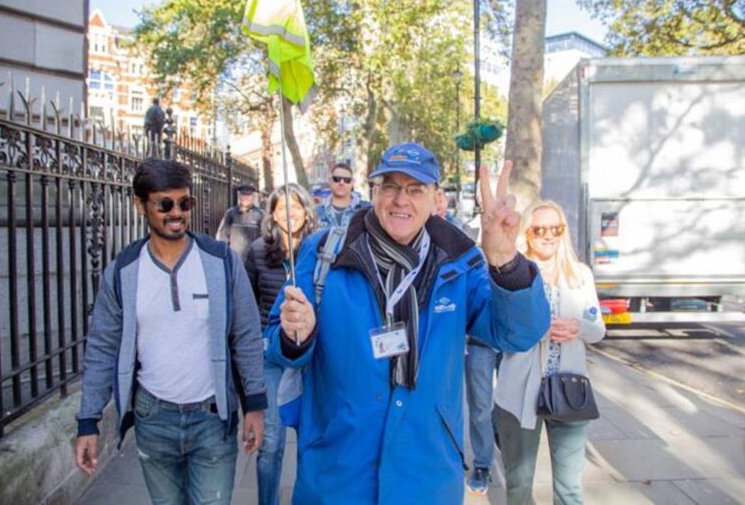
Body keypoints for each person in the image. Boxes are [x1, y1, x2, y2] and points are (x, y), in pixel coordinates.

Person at [265, 142, 550, 504]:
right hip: (336, 474)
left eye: (416, 189)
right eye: (391, 187)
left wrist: (506, 260)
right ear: (374, 193)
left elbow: (519, 334)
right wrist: (295, 337)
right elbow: (277, 342)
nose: (402, 200)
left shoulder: (459, 264)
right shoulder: (324, 254)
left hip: (426, 475)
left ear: (435, 199)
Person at [75, 159, 266, 505]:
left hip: (212, 417)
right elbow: (102, 347)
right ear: (140, 205)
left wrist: (255, 405)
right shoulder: (123, 271)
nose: (176, 213)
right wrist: (88, 420)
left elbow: (247, 334)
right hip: (153, 418)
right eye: (165, 204)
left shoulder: (221, 261)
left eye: (185, 203)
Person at [493, 199, 606, 505]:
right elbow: (501, 330)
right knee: (518, 484)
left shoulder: (580, 274)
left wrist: (578, 326)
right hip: (519, 394)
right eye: (539, 228)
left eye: (556, 228)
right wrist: (540, 329)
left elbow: (598, 329)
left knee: (569, 489)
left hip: (569, 392)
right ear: (526, 233)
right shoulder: (515, 273)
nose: (548, 235)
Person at [244, 184, 317, 505]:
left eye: (296, 206)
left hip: (310, 355)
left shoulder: (319, 250)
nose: (290, 214)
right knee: (271, 441)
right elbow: (245, 304)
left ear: (306, 210)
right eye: (282, 208)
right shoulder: (258, 250)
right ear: (272, 213)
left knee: (309, 438)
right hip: (269, 354)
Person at [434, 188, 499, 495]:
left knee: (480, 405)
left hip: (476, 339)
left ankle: (483, 462)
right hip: (438, 342)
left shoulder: (462, 235)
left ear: (440, 199)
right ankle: (444, 461)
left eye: (433, 195)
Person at [315, 162, 370, 228]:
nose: (341, 183)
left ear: (352, 183)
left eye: (347, 180)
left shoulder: (366, 210)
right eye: (337, 179)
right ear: (330, 181)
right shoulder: (316, 212)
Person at [216, 183, 265, 258]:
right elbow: (222, 235)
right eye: (243, 195)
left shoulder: (261, 214)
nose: (246, 198)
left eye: (248, 195)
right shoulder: (230, 213)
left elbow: (265, 236)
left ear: (253, 197)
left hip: (254, 259)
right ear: (239, 196)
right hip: (235, 258)